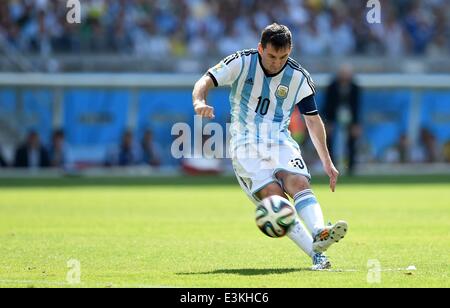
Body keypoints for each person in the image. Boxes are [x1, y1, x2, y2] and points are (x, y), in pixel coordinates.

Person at [192, 23, 348, 270]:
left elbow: (313, 121)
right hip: (245, 144)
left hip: (279, 140)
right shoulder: (241, 62)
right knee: (275, 201)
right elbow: (205, 80)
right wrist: (200, 101)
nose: (277, 62)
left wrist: (327, 162)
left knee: (298, 182)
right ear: (260, 48)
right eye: (272, 56)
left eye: (283, 56)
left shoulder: (298, 77)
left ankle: (319, 232)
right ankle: (316, 255)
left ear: (290, 51)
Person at [323, 64, 361, 175]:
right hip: (333, 116)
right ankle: (330, 165)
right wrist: (328, 122)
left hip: (350, 117)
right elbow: (328, 104)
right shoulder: (332, 86)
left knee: (351, 141)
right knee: (329, 141)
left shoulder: (354, 87)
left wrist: (356, 123)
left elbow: (356, 106)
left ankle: (351, 167)